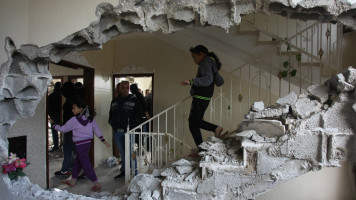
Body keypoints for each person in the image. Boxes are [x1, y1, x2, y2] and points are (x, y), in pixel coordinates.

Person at [50, 98, 110, 192]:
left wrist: (53, 125)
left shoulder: (74, 120)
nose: (72, 110)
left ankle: (97, 183)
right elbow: (96, 129)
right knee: (78, 162)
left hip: (80, 145)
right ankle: (73, 181)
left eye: (74, 108)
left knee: (86, 165)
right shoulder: (90, 118)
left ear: (81, 109)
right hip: (87, 144)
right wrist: (103, 140)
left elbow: (63, 129)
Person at [180, 45, 225, 151]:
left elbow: (207, 80)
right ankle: (202, 148)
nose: (194, 60)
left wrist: (191, 81)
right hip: (205, 97)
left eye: (194, 57)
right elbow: (220, 81)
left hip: (200, 96)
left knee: (193, 122)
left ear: (202, 54)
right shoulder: (211, 62)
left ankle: (215, 129)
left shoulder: (205, 63)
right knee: (194, 123)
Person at [108, 81, 143, 178]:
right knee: (122, 152)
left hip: (129, 131)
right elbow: (111, 115)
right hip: (117, 131)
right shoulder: (114, 101)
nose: (126, 90)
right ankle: (124, 170)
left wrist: (130, 124)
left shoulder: (134, 100)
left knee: (131, 152)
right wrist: (112, 123)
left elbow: (139, 115)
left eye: (127, 87)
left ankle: (135, 172)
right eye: (123, 87)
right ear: (119, 89)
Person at [54, 81, 76, 176]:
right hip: (68, 129)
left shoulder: (73, 100)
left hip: (72, 130)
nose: (62, 93)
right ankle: (65, 169)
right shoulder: (71, 99)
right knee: (67, 149)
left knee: (75, 150)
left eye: (63, 90)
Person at [48, 82, 61, 152]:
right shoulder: (62, 95)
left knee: (54, 131)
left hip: (53, 115)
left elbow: (48, 107)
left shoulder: (51, 95)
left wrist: (50, 115)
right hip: (61, 115)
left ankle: (56, 146)